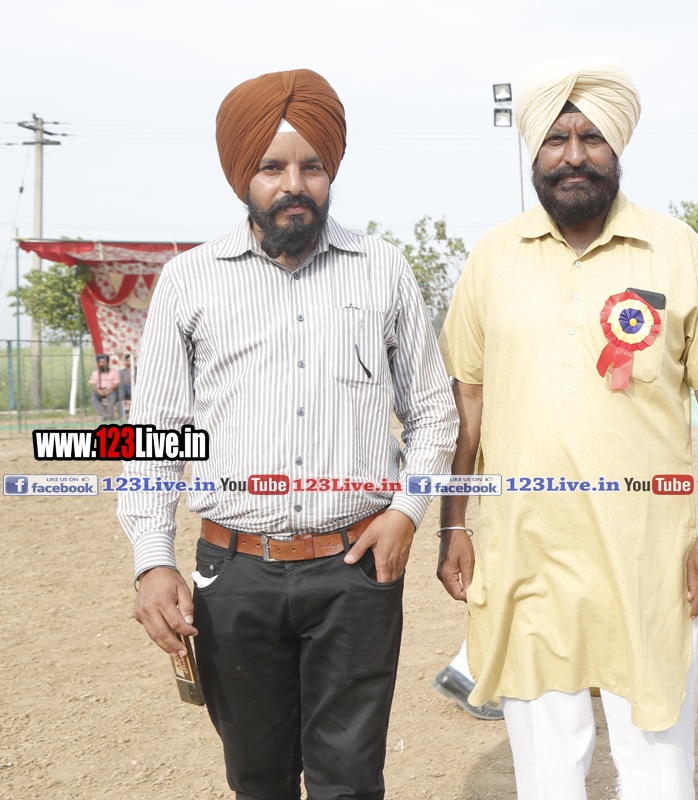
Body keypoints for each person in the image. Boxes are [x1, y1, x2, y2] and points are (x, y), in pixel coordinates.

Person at [116, 68, 458, 800]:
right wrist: (152, 561)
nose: (293, 185)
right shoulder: (189, 281)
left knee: (351, 782)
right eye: (272, 167)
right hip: (232, 575)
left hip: (357, 571)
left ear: (332, 171)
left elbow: (434, 411)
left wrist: (407, 511)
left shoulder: (383, 270)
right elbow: (154, 435)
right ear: (243, 174)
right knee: (258, 780)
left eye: (313, 166)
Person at [435, 58, 698, 799]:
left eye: (592, 138)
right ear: (534, 152)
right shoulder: (493, 257)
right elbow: (468, 403)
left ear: (618, 148)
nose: (574, 155)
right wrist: (454, 525)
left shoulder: (676, 249)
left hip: (649, 555)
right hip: (526, 551)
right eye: (556, 139)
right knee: (546, 771)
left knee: (658, 769)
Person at [88, 354, 121, 420]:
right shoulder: (95, 373)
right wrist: (99, 391)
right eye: (101, 362)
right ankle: (103, 414)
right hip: (100, 391)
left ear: (108, 362)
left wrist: (109, 390)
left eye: (104, 361)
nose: (103, 364)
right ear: (99, 363)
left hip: (111, 390)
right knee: (93, 397)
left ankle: (109, 415)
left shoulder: (114, 372)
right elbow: (94, 385)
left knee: (113, 397)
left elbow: (116, 384)